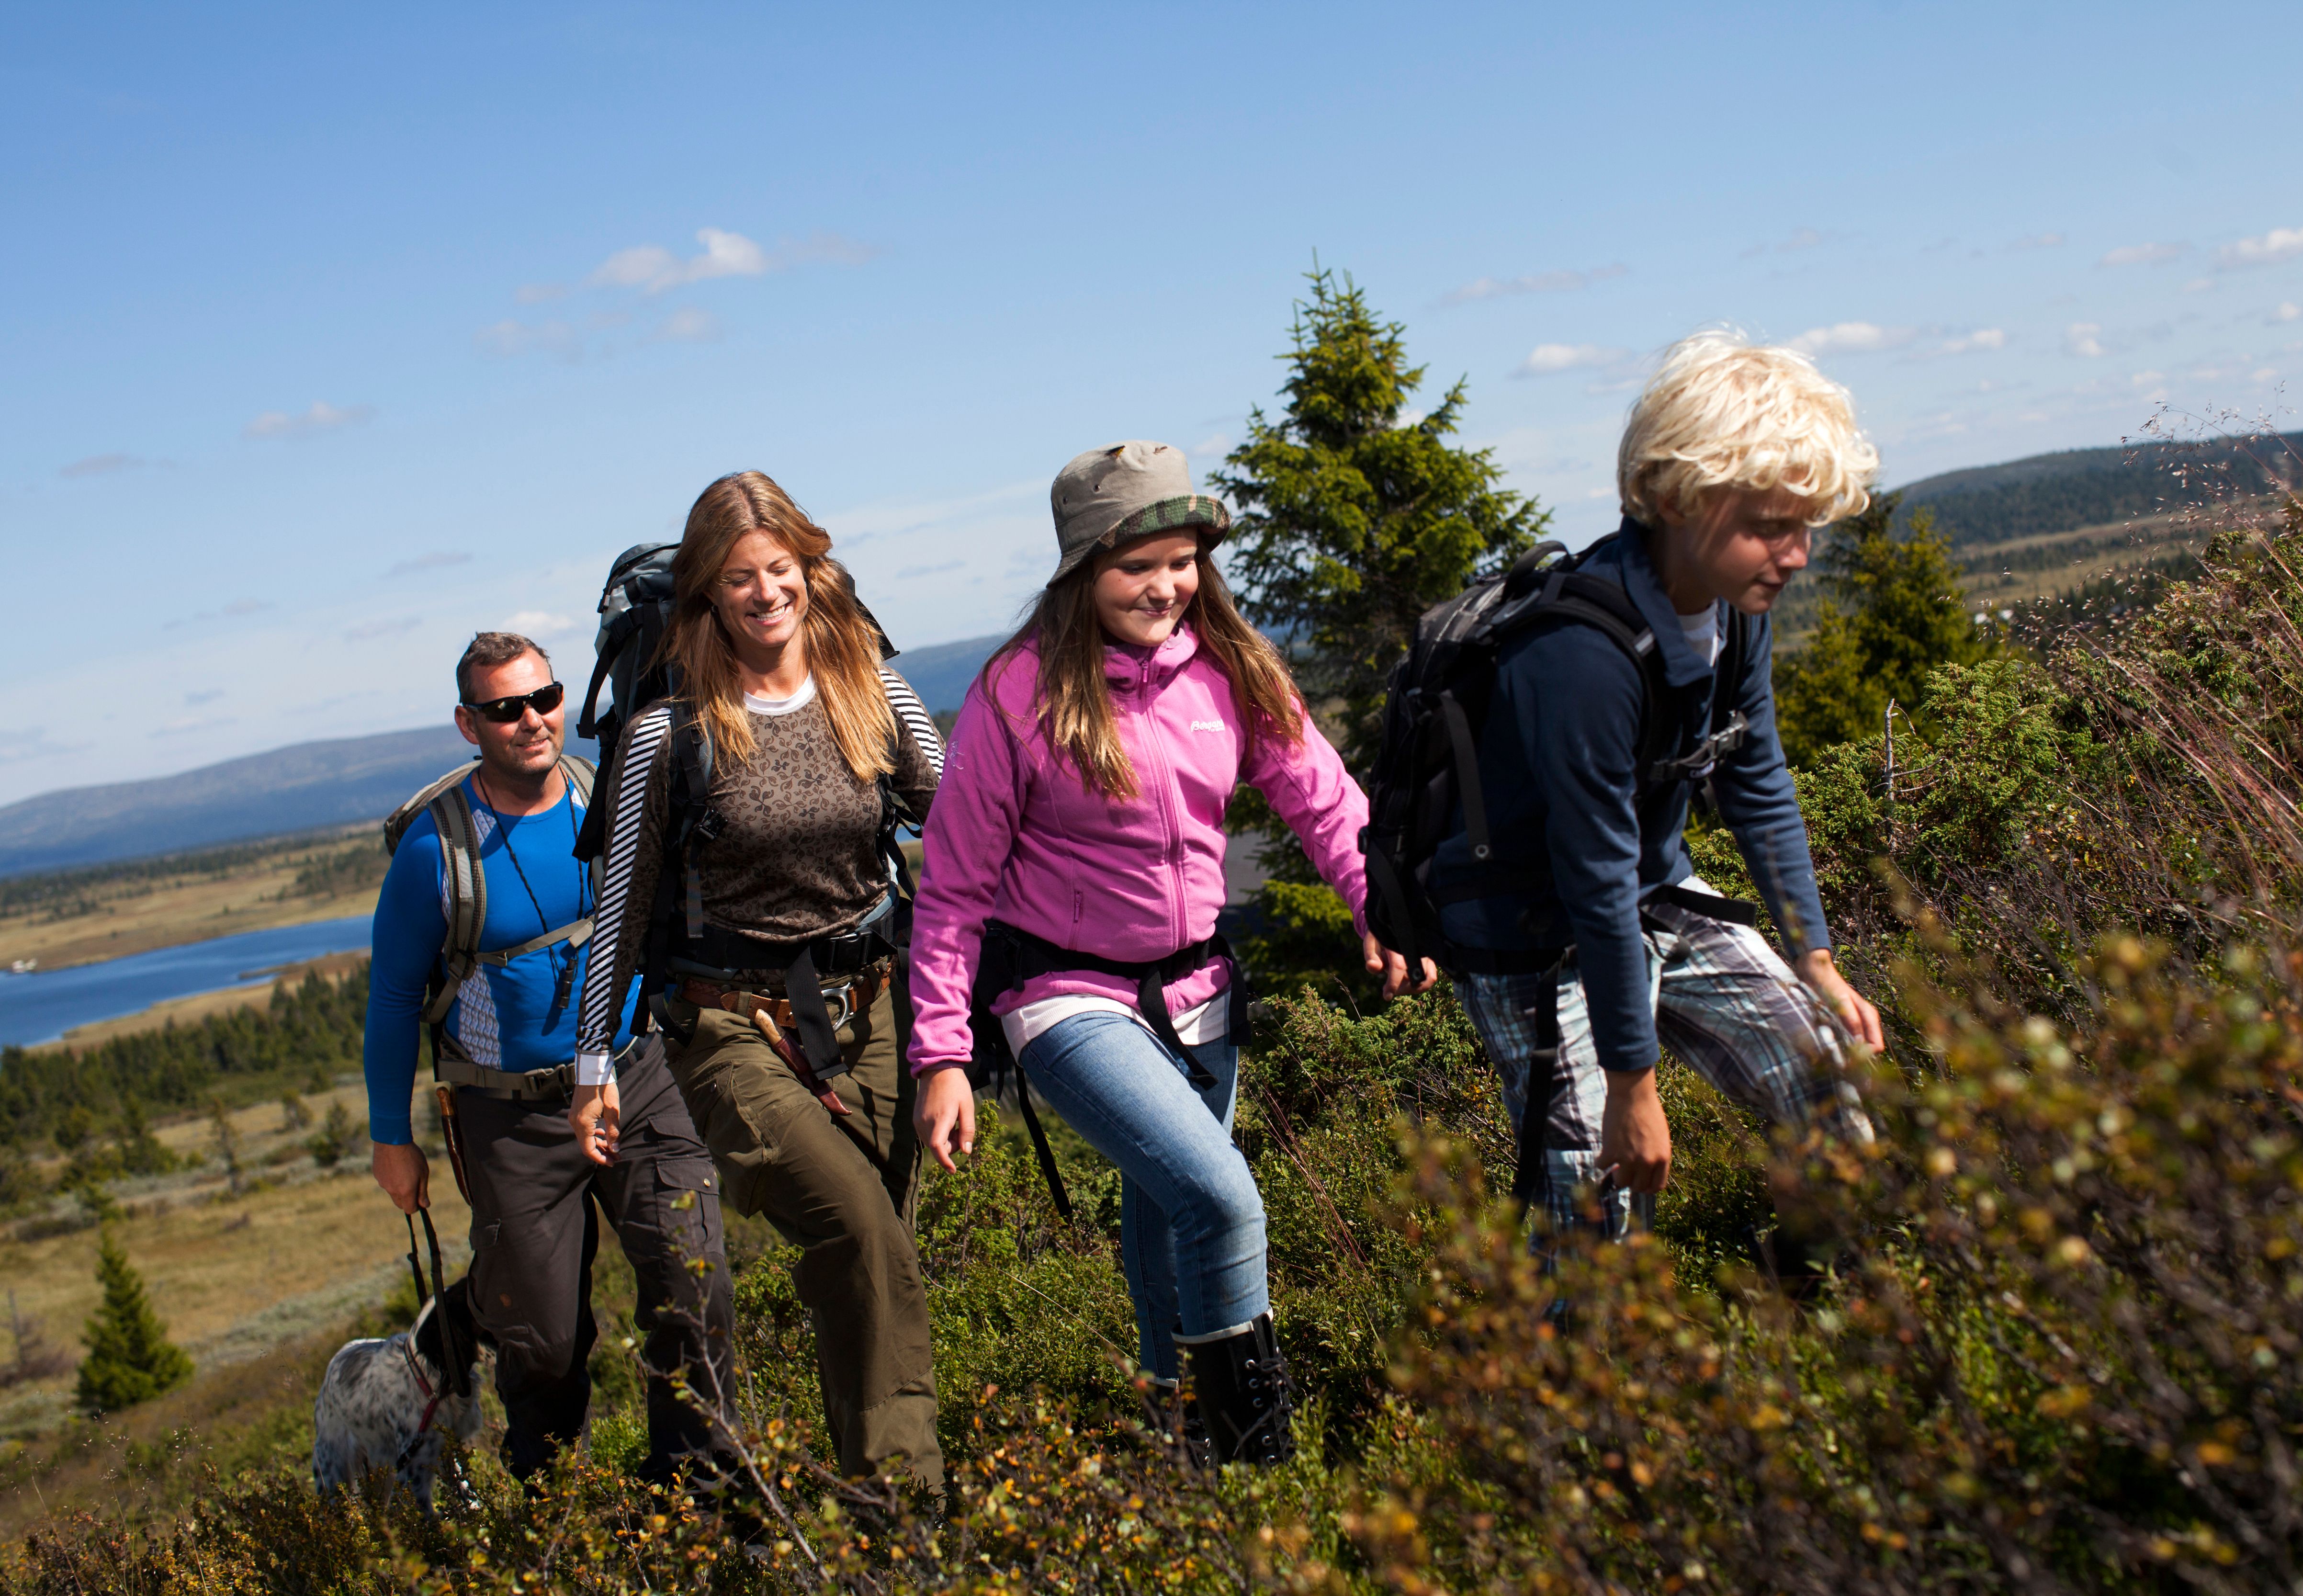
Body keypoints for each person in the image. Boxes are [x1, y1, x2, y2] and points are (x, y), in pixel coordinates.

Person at [907, 440, 1430, 1469]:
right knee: (1222, 1197)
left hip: (1199, 989)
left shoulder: (1232, 668)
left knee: (1167, 1218)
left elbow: (1323, 797)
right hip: (1063, 994)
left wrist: (1378, 901)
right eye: (1136, 564)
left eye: (1183, 560)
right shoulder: (1017, 693)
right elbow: (954, 888)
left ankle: (1177, 1448)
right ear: (1081, 570)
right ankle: (1258, 1459)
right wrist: (942, 1053)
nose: (1165, 585)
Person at [1432, 330, 1885, 1245]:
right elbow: (1591, 873)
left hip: (1649, 890)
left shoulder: (1733, 607)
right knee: (1595, 1203)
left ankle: (1811, 1302)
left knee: (1830, 1091)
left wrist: (1815, 957)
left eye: (1806, 526)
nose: (1797, 554)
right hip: (1532, 931)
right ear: (1676, 497)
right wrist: (1632, 1087)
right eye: (1771, 525)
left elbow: (1756, 776)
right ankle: (1572, 1339)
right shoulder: (1577, 655)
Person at [575, 471, 945, 1489]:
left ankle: (871, 1497)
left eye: (781, 569)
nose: (766, 592)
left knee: (872, 1262)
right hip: (731, 1029)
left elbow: (957, 811)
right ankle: (911, 1511)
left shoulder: (871, 690)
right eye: (740, 577)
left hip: (874, 1009)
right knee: (860, 1233)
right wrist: (592, 1062)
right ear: (707, 592)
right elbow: (621, 904)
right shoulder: (670, 732)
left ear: (811, 570)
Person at [365, 631, 736, 1488]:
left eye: (545, 697)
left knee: (695, 1283)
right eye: (505, 709)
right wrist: (392, 1138)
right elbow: (391, 1001)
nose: (532, 719)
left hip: (635, 1077)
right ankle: (554, 1510)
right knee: (544, 1341)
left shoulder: (607, 796)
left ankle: (702, 1497)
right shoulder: (435, 851)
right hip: (511, 1117)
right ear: (469, 724)